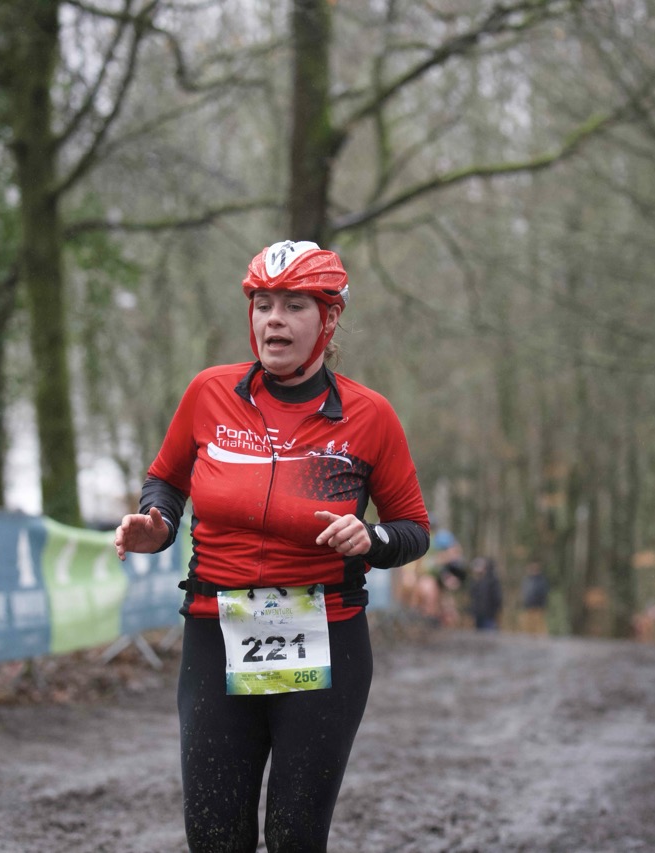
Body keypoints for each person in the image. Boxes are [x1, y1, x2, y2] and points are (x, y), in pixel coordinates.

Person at [114, 240, 430, 853]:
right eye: (263, 305)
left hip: (325, 635)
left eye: (293, 305)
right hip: (217, 629)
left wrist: (371, 538)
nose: (273, 320)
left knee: (294, 837)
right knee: (214, 835)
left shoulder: (370, 416)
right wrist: (158, 522)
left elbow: (412, 528)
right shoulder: (209, 392)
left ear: (329, 318)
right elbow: (167, 480)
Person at [468, 555, 503, 631]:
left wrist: (495, 611)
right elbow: (473, 597)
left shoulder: (492, 581)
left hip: (489, 615)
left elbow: (497, 598)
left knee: (489, 633)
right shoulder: (477, 581)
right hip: (479, 615)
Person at [519, 562, 549, 635]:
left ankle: (541, 637)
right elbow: (525, 592)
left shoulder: (541, 581)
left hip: (538, 606)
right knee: (528, 624)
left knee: (539, 625)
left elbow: (543, 594)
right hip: (528, 606)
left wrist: (542, 604)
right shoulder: (527, 580)